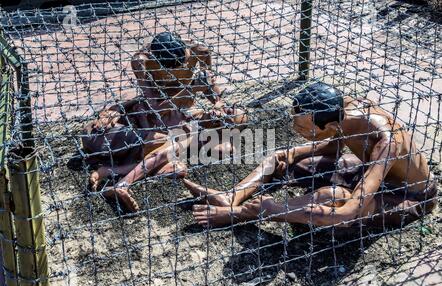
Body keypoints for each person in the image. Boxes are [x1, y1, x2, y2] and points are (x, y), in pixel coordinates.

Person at [184, 81, 437, 228]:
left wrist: (275, 208)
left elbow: (349, 212)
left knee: (333, 197)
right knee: (287, 160)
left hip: (408, 196)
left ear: (327, 126)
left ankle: (240, 213)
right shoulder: (343, 111)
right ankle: (232, 196)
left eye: (302, 128)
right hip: (369, 173)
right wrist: (286, 153)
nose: (296, 130)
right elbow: (332, 148)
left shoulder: (384, 142)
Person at [81, 32, 247, 213]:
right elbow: (153, 107)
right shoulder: (142, 63)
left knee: (176, 166)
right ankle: (118, 177)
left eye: (226, 118)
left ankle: (112, 173)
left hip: (143, 136)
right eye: (228, 111)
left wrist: (217, 103)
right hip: (128, 126)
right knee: (167, 148)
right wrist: (117, 108)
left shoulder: (199, 54)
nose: (222, 113)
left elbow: (211, 87)